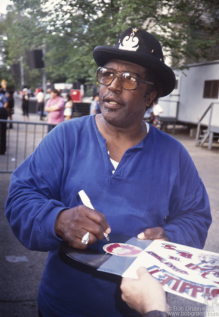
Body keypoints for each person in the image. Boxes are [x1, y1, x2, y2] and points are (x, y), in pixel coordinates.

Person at [5, 28, 211, 317]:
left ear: (150, 95)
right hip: (61, 306)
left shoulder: (174, 154)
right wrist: (59, 220)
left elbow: (196, 215)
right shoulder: (66, 137)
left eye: (129, 79)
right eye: (107, 74)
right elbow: (21, 198)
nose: (113, 86)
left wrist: (170, 238)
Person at [0, 88, 8, 154]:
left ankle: (2, 149)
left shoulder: (2, 96)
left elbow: (6, 104)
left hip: (2, 112)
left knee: (2, 132)